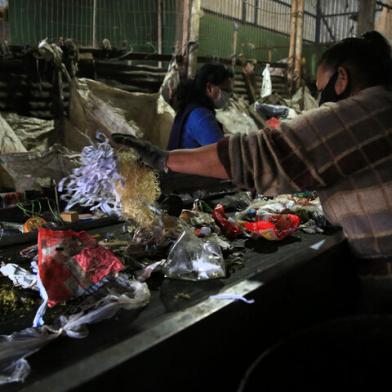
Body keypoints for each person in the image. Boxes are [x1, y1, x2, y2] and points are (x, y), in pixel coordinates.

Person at [112, 31, 392, 307]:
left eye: (322, 91)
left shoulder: (364, 111)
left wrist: (164, 159)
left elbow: (263, 154)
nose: (323, 101)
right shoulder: (381, 107)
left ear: (342, 79)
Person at [166, 63, 234, 150]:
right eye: (225, 90)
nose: (228, 95)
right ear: (209, 87)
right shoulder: (201, 115)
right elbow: (221, 154)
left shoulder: (191, 107)